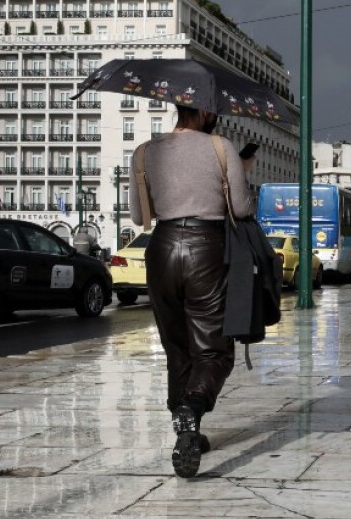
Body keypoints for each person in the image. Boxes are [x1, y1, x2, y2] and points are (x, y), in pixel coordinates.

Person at [130, 105, 252, 478]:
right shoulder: (221, 147)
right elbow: (242, 209)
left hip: (162, 248)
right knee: (213, 349)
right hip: (206, 249)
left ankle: (187, 431)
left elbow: (138, 216)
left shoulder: (145, 152)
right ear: (201, 110)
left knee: (176, 346)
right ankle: (192, 409)